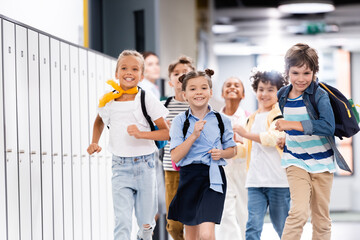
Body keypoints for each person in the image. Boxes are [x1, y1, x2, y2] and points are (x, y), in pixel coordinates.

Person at [87, 50, 169, 240]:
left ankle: (145, 234)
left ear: (141, 75)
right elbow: (99, 120)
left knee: (146, 223)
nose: (128, 72)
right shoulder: (109, 98)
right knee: (122, 221)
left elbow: (166, 132)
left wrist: (141, 134)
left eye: (134, 69)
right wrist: (94, 142)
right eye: (124, 68)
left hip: (146, 166)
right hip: (120, 167)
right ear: (116, 73)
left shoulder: (146, 98)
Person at [276, 43, 338, 240]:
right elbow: (285, 123)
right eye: (295, 73)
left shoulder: (319, 95)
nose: (301, 79)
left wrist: (292, 125)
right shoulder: (282, 95)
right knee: (298, 212)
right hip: (295, 160)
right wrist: (285, 135)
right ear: (287, 72)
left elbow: (328, 126)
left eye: (306, 73)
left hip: (322, 163)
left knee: (321, 219)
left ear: (314, 72)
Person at [167, 69, 237, 240]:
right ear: (184, 95)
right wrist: (193, 136)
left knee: (206, 235)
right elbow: (175, 156)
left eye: (203, 88)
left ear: (211, 92)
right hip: (189, 178)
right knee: (191, 236)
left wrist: (221, 153)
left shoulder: (223, 120)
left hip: (213, 178)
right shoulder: (179, 121)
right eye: (192, 89)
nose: (198, 92)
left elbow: (233, 150)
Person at [232, 69, 290, 240]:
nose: (264, 94)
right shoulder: (252, 118)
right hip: (255, 182)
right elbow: (247, 149)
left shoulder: (280, 115)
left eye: (270, 90)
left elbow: (272, 139)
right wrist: (227, 151)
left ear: (279, 92)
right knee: (252, 228)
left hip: (278, 182)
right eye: (261, 89)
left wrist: (244, 134)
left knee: (283, 228)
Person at [162, 56, 195, 240]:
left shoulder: (198, 104)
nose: (181, 76)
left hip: (195, 168)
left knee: (193, 219)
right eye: (177, 73)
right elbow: (156, 139)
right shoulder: (162, 107)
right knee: (174, 225)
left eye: (186, 72)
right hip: (171, 169)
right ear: (170, 81)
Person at [216, 77, 250, 240]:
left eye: (237, 85)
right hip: (221, 168)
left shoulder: (248, 118)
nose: (232, 87)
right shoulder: (214, 118)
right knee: (225, 212)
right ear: (222, 93)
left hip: (243, 168)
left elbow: (251, 144)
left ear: (243, 94)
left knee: (244, 211)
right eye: (228, 85)